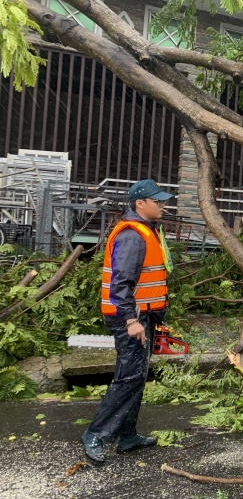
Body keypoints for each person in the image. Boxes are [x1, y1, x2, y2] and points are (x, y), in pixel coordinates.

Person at [81, 179, 174, 465]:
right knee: (130, 376)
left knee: (136, 374)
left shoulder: (147, 231)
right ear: (139, 204)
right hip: (129, 318)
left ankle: (127, 434)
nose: (162, 205)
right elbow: (121, 284)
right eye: (157, 201)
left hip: (143, 315)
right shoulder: (133, 235)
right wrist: (132, 320)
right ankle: (96, 433)